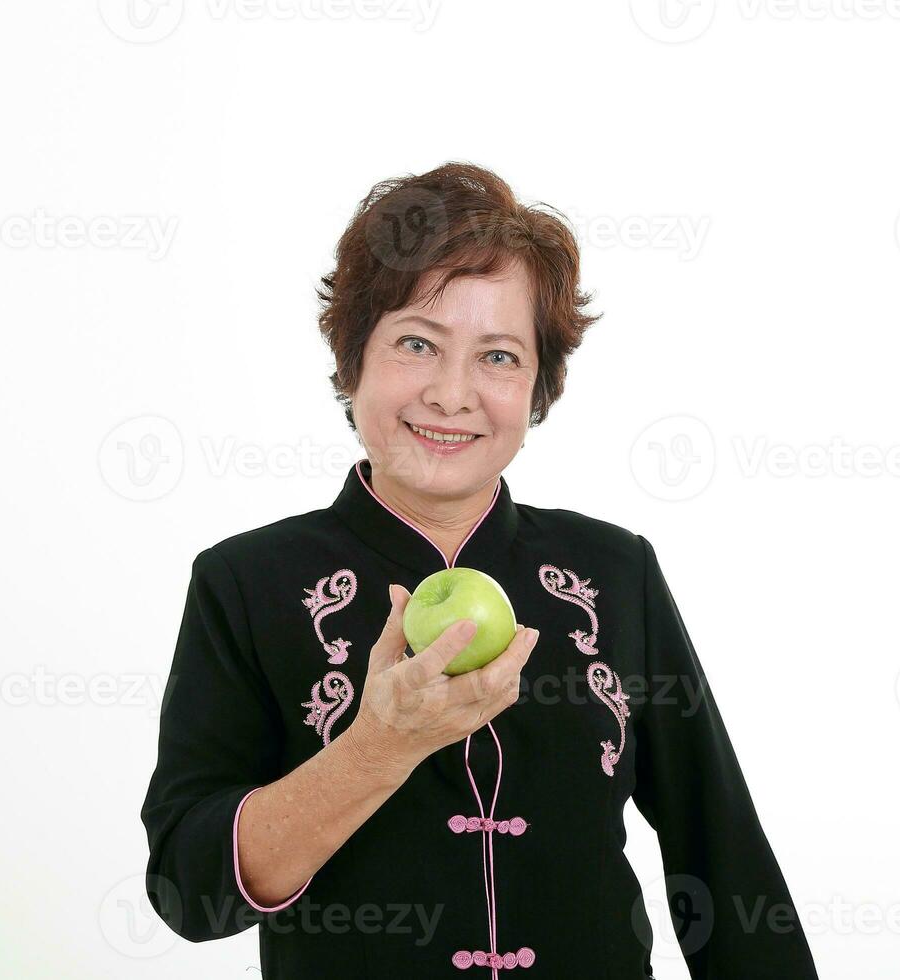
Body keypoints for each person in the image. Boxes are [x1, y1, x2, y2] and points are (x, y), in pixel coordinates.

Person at [140, 162, 819, 978]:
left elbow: (721, 854)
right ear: (354, 357)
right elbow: (190, 891)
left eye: (498, 357)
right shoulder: (245, 583)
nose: (452, 394)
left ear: (538, 387)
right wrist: (377, 749)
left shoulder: (611, 571)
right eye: (417, 343)